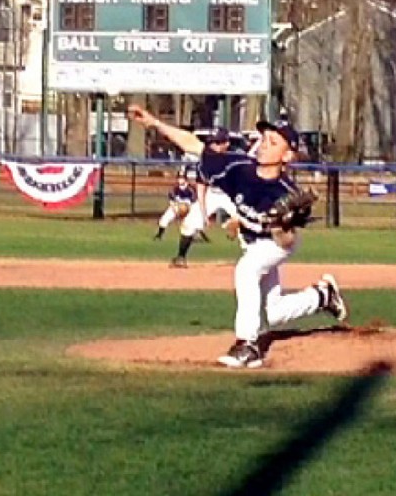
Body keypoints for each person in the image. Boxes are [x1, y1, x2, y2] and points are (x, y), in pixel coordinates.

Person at [129, 104, 349, 369]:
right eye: (263, 139)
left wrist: (281, 224)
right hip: (253, 241)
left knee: (246, 270)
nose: (264, 144)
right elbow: (194, 145)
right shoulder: (237, 166)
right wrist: (154, 122)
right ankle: (323, 296)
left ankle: (247, 345)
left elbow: (287, 243)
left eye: (273, 141)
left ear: (287, 155)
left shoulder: (286, 193)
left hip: (275, 244)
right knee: (275, 313)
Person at [153, 169, 208, 268]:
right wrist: (176, 209)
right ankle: (159, 234)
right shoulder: (175, 189)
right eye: (179, 178)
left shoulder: (191, 189)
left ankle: (200, 235)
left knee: (194, 221)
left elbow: (194, 202)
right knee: (165, 218)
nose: (180, 180)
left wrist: (186, 210)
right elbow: (171, 200)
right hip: (176, 207)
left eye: (182, 178)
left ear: (186, 179)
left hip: (188, 207)